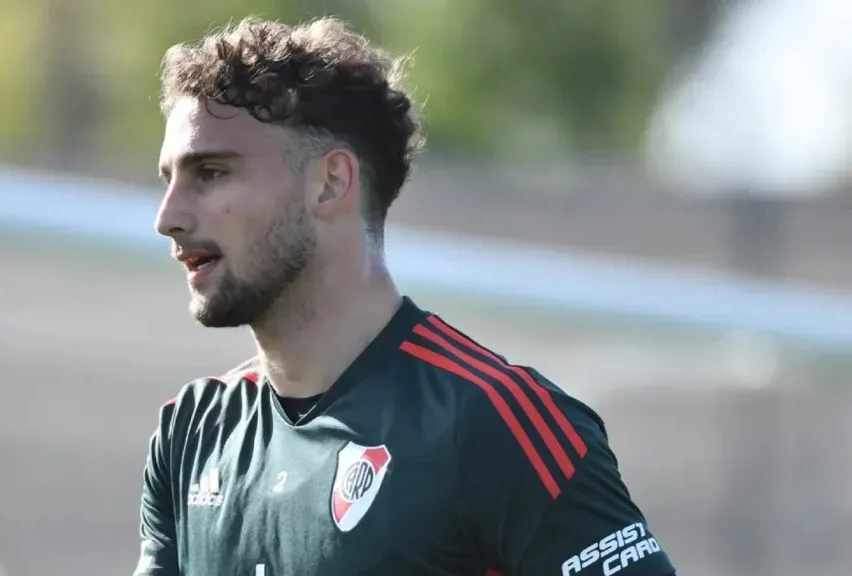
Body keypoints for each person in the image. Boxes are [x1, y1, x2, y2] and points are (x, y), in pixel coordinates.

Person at [134, 16, 676, 576]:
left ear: (330, 183)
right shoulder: (192, 434)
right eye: (168, 180)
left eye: (211, 173)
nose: (167, 217)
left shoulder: (493, 424)